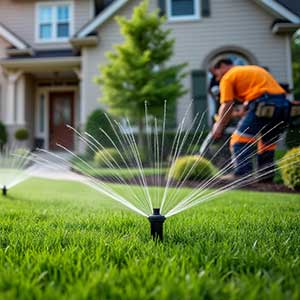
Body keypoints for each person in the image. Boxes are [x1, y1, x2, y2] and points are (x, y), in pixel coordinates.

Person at [211, 58, 290, 180]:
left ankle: (243, 175)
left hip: (263, 104)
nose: (217, 78)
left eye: (215, 74)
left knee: (238, 140)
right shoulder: (253, 69)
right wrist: (244, 110)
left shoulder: (227, 77)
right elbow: (260, 94)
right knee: (267, 143)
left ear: (222, 66)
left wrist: (219, 125)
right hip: (283, 106)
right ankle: (266, 178)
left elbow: (227, 104)